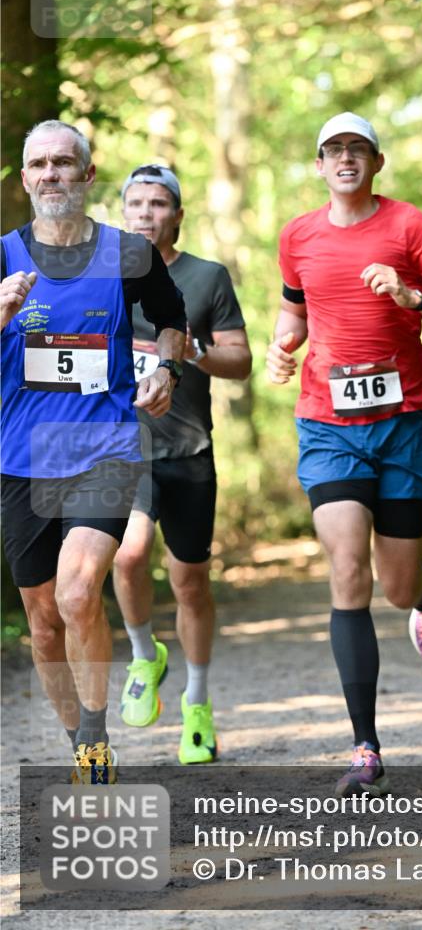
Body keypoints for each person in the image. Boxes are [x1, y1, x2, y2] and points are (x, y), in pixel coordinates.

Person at [266, 112, 422, 796]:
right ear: (317, 164)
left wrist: (412, 296)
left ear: (376, 162)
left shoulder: (407, 226)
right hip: (328, 426)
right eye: (332, 149)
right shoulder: (297, 235)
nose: (344, 159)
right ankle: (364, 746)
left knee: (393, 586)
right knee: (346, 569)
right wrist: (282, 346)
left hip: (402, 425)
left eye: (356, 150)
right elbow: (296, 310)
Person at [0, 121, 186, 783]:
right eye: (38, 164)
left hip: (103, 448)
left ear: (87, 174)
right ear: (24, 179)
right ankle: (81, 742)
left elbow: (172, 320)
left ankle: (99, 744)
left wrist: (167, 370)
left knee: (79, 594)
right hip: (19, 459)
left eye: (63, 162)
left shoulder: (126, 254)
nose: (51, 174)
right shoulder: (2, 259)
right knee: (44, 622)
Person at [112, 164, 251, 764]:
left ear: (178, 214)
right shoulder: (102, 273)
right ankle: (145, 654)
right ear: (123, 212)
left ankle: (196, 701)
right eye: (136, 202)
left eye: (159, 203)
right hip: (122, 447)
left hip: (190, 449)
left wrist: (190, 350)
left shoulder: (206, 277)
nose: (146, 213)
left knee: (190, 580)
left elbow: (241, 360)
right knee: (129, 553)